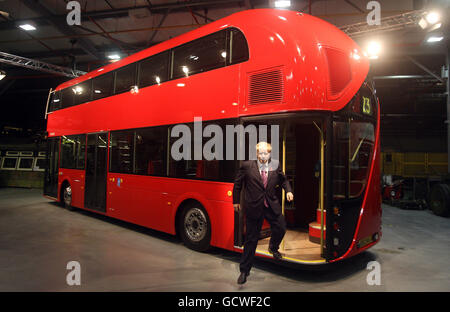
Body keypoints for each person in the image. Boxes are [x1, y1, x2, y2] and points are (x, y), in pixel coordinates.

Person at [233, 142, 293, 285]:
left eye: (266, 153)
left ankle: (273, 247)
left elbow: (283, 180)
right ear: (257, 153)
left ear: (270, 153)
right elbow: (237, 184)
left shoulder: (276, 165)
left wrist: (289, 191)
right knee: (251, 239)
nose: (263, 155)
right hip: (254, 206)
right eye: (260, 153)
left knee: (281, 227)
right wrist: (236, 201)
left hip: (271, 205)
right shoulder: (247, 166)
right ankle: (244, 271)